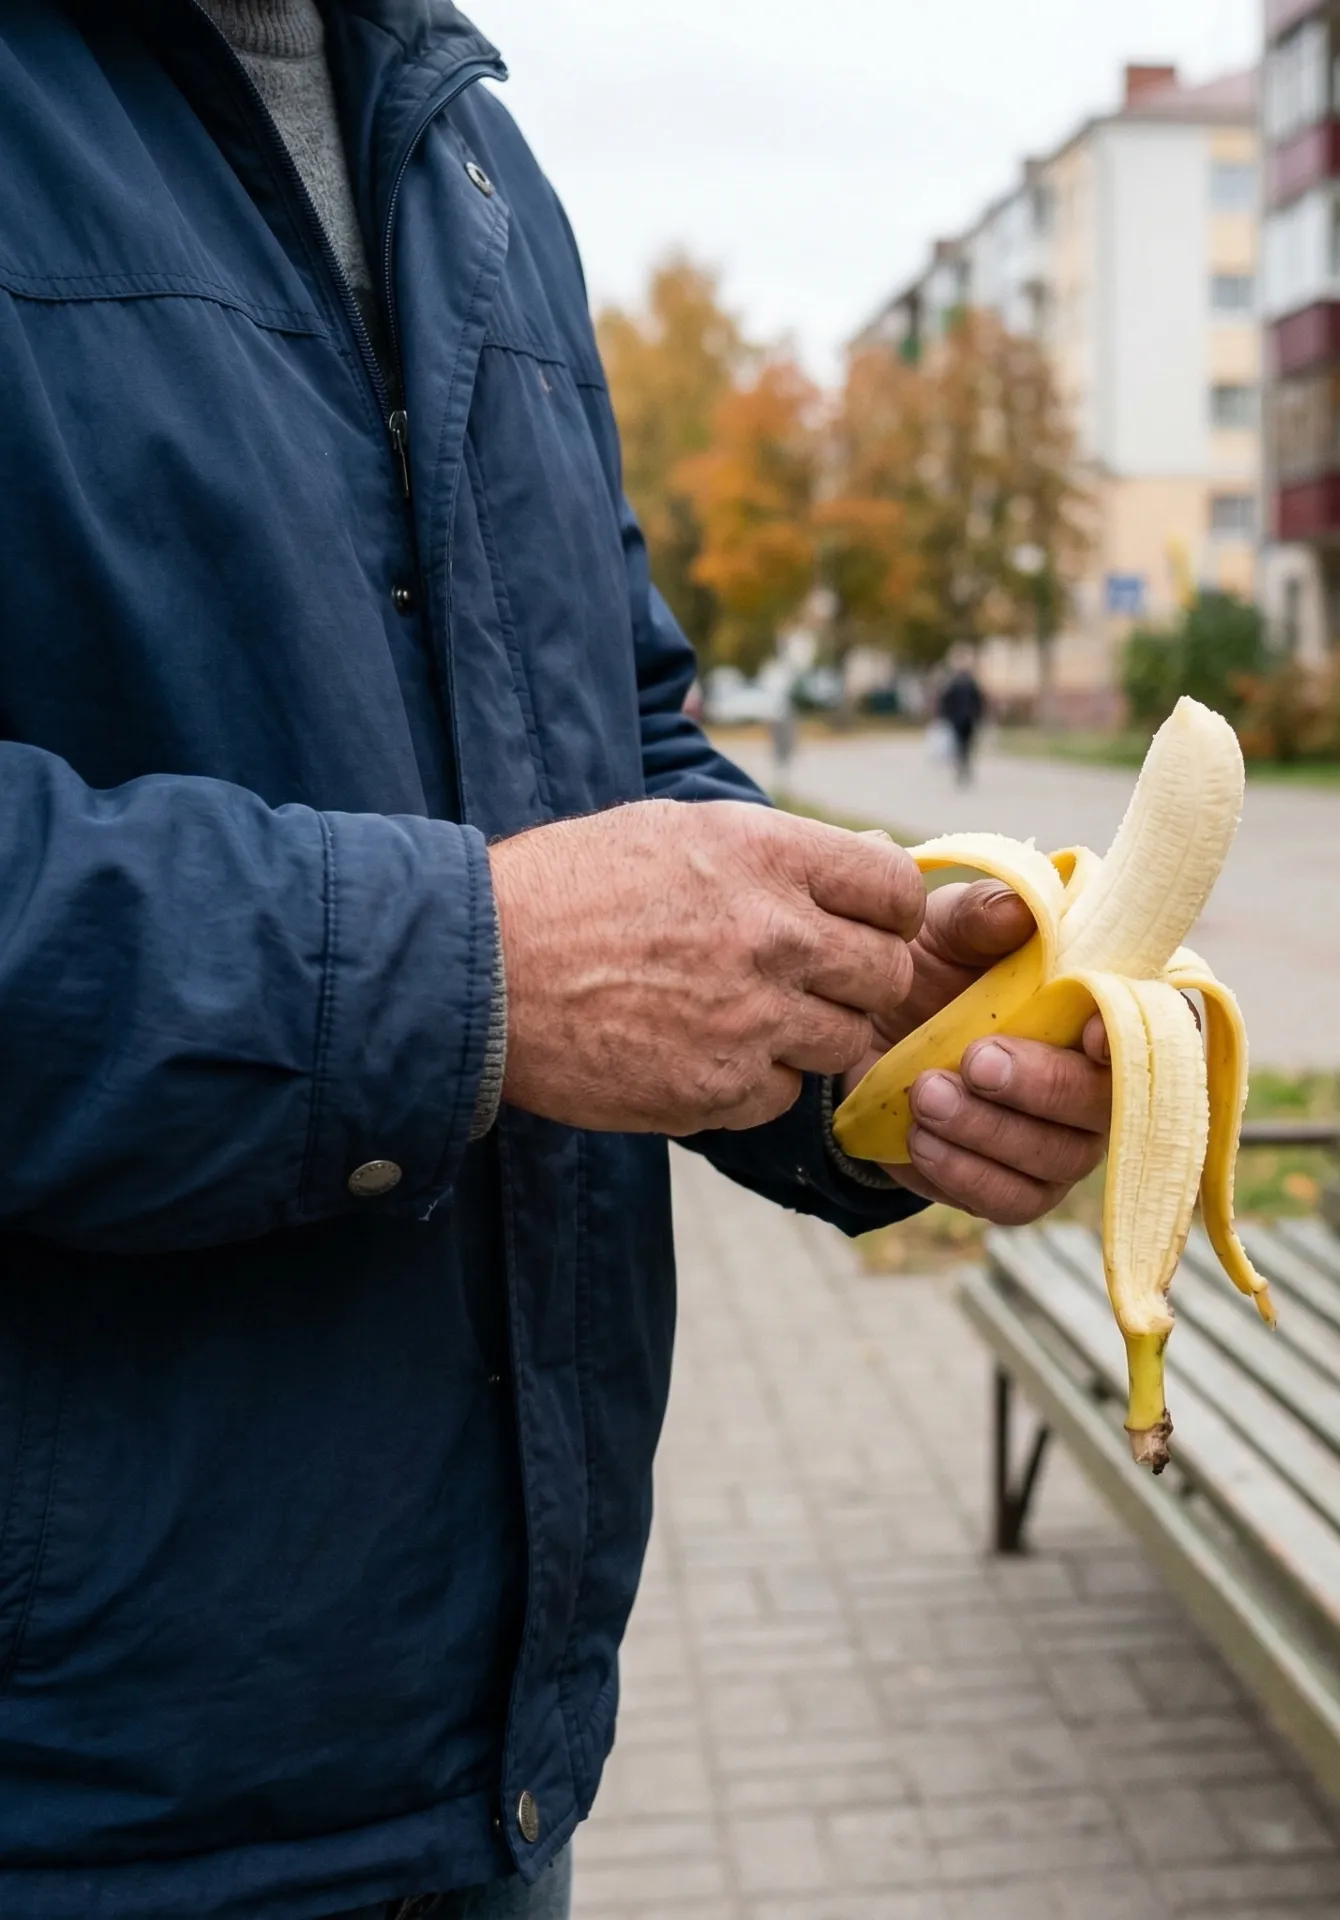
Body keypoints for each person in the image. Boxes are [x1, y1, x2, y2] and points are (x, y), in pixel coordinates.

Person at [0, 6, 1113, 1918]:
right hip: (88, 1802)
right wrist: (475, 968)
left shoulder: (465, 155)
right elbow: (524, 927)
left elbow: (618, 727)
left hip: (486, 1757)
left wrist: (880, 1022)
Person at [938, 648, 988, 787]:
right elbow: (946, 701)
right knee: (959, 745)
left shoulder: (971, 681)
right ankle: (961, 767)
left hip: (969, 719)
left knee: (967, 745)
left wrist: (978, 715)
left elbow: (978, 700)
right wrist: (946, 716)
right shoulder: (953, 682)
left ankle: (965, 767)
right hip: (957, 720)